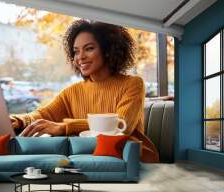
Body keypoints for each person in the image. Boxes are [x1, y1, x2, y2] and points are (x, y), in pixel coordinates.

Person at [10, 19, 159, 163]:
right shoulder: (72, 91)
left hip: (131, 157)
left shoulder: (133, 83)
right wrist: (19, 120)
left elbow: (121, 124)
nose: (80, 57)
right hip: (89, 157)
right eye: (76, 51)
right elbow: (43, 114)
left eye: (89, 48)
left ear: (107, 50)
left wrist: (64, 127)